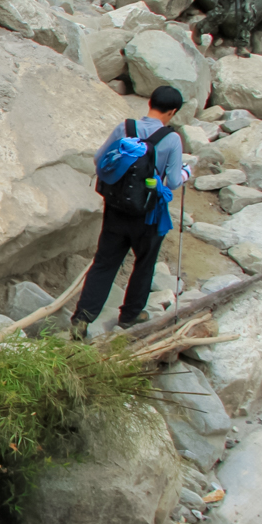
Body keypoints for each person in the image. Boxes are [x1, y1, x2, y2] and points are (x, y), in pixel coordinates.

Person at [70, 86, 191, 340]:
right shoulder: (171, 139)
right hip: (149, 214)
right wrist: (185, 173)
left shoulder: (125, 128)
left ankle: (82, 319)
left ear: (150, 102)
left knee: (104, 263)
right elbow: (173, 181)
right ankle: (129, 316)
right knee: (144, 264)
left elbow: (99, 158)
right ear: (172, 112)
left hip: (116, 209)